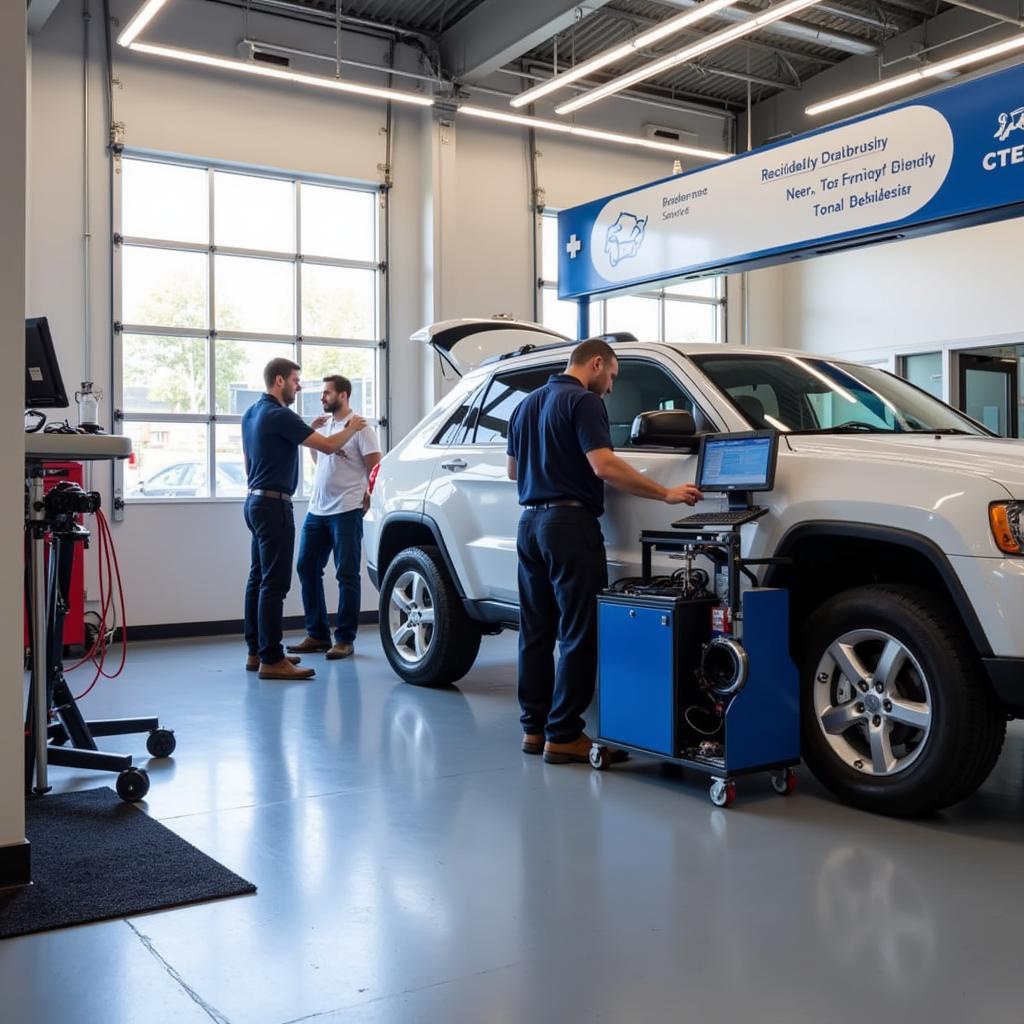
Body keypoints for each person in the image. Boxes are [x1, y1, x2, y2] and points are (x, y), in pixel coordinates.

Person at [506, 338, 703, 764]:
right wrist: (666, 493)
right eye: (612, 376)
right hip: (569, 525)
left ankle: (534, 730)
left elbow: (513, 471)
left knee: (536, 633)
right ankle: (565, 735)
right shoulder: (583, 401)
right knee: (579, 632)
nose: (611, 387)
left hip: (529, 524)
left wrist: (551, 463)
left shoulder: (525, 406)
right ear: (596, 363)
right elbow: (604, 465)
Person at [242, 358, 366, 680]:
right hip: (273, 507)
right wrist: (351, 429)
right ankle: (272, 658)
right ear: (280, 381)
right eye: (296, 381)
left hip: (254, 501)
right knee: (275, 583)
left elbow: (248, 462)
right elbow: (326, 447)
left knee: (258, 579)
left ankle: (256, 651)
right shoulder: (281, 414)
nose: (300, 387)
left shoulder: (251, 414)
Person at [288, 375, 381, 661]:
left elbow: (375, 467)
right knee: (306, 568)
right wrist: (315, 436)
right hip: (318, 510)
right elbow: (321, 461)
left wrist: (368, 497)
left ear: (343, 394)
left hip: (347, 510)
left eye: (327, 393)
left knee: (347, 574)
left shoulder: (361, 428)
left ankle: (344, 639)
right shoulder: (325, 425)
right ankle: (317, 634)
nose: (322, 397)